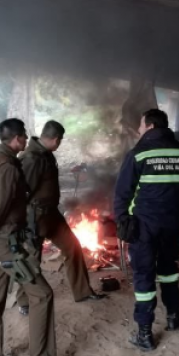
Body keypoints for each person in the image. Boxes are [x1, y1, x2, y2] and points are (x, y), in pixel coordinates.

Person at [0, 118, 69, 356]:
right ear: (17, 139)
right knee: (43, 294)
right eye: (24, 137)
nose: (26, 141)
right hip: (6, 246)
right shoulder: (9, 168)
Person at [113, 109, 179, 351]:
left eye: (141, 125)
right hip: (172, 224)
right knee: (169, 269)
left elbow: (122, 192)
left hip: (144, 225)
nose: (139, 130)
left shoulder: (139, 153)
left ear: (150, 126)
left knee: (143, 275)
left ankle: (144, 333)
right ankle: (173, 317)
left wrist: (122, 221)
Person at [16, 120, 106, 316]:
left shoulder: (46, 155)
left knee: (72, 247)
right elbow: (21, 193)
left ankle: (82, 291)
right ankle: (24, 301)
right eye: (61, 140)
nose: (60, 143)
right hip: (35, 217)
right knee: (32, 259)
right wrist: (22, 222)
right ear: (56, 139)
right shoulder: (32, 158)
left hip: (52, 214)